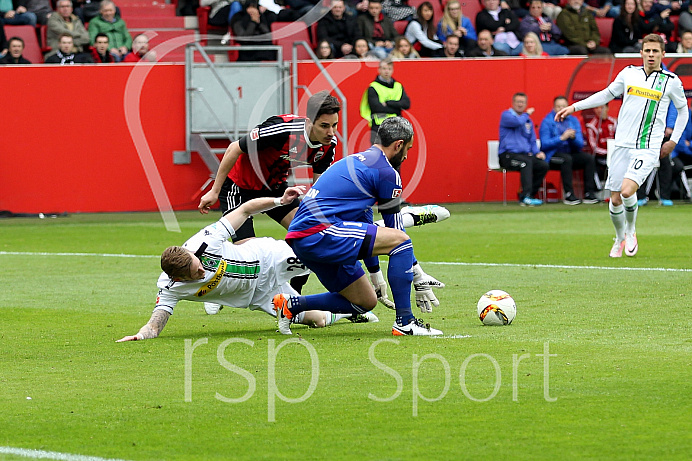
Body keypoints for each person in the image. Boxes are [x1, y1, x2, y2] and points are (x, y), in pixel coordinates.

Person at [115, 186, 379, 342]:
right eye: (196, 273)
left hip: (268, 258)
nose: (202, 269)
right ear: (180, 279)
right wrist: (142, 335)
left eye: (199, 263)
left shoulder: (203, 242)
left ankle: (378, 231)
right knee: (317, 321)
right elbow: (155, 323)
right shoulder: (170, 287)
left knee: (324, 250)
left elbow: (244, 209)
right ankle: (352, 312)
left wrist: (280, 201)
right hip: (260, 296)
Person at [277, 117, 444, 336]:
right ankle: (405, 322)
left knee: (364, 302)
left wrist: (376, 275)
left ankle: (290, 306)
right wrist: (418, 275)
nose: (405, 156)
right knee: (401, 241)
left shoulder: (357, 163)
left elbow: (367, 227)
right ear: (399, 144)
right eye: (408, 149)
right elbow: (395, 233)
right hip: (319, 232)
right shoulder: (387, 172)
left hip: (304, 237)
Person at [555, 34, 688, 257]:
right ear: (641, 53)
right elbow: (607, 94)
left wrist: (673, 140)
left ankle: (632, 230)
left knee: (627, 191)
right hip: (622, 144)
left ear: (663, 54)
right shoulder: (629, 74)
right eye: (648, 51)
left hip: (647, 146)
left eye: (656, 51)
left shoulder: (671, 81)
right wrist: (574, 107)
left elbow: (683, 110)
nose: (651, 55)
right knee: (615, 198)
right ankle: (619, 238)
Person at [539, 95, 599, 204]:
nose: (561, 109)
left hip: (570, 153)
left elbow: (580, 144)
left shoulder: (573, 121)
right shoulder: (547, 121)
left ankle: (589, 193)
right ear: (553, 108)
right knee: (566, 160)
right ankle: (569, 194)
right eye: (558, 107)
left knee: (588, 159)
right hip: (552, 155)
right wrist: (561, 138)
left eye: (563, 106)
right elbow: (544, 144)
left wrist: (573, 138)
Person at [499, 92, 549, 206]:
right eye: (518, 102)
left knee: (543, 165)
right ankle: (525, 196)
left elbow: (532, 140)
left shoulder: (528, 121)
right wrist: (527, 114)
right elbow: (517, 122)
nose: (520, 104)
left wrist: (537, 153)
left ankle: (529, 195)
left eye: (523, 102)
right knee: (525, 163)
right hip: (507, 156)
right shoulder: (506, 115)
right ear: (513, 103)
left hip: (524, 155)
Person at [360, 57, 411, 143]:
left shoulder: (398, 86)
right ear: (379, 69)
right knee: (378, 154)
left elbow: (406, 104)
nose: (386, 71)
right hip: (378, 126)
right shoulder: (373, 87)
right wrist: (397, 107)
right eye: (384, 68)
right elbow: (376, 108)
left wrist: (388, 103)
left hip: (396, 125)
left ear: (393, 70)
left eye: (389, 69)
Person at [585, 103, 617, 186]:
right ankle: (597, 189)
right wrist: (608, 153)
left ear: (607, 108)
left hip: (616, 155)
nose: (599, 110)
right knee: (591, 161)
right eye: (596, 108)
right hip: (601, 157)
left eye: (602, 107)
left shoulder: (614, 123)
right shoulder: (591, 125)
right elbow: (594, 148)